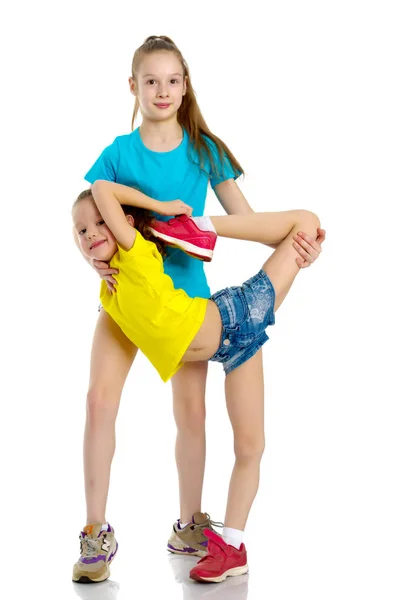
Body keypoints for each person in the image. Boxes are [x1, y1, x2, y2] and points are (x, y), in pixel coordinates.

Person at [73, 35, 325, 584]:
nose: (162, 91)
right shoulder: (118, 152)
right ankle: (95, 534)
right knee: (98, 403)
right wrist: (101, 261)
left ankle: (190, 525)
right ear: (133, 87)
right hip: (125, 301)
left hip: (186, 303)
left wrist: (297, 248)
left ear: (185, 86)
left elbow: (253, 225)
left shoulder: (203, 149)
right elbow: (90, 212)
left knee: (192, 416)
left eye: (173, 80)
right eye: (150, 81)